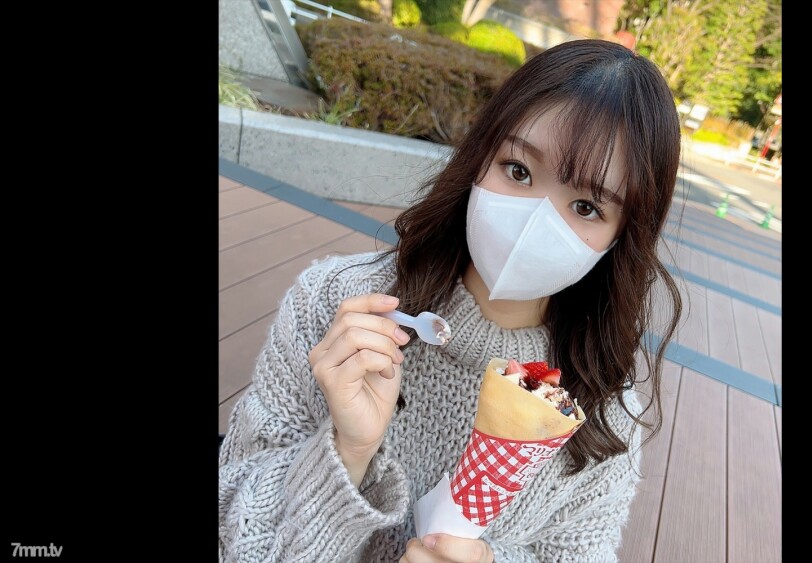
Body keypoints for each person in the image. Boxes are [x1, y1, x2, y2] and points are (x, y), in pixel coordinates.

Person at [218, 38, 683, 562]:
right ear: (480, 157)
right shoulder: (338, 305)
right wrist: (348, 452)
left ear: (622, 237)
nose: (535, 220)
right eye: (519, 170)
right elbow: (235, 533)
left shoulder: (602, 412)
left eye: (586, 207)